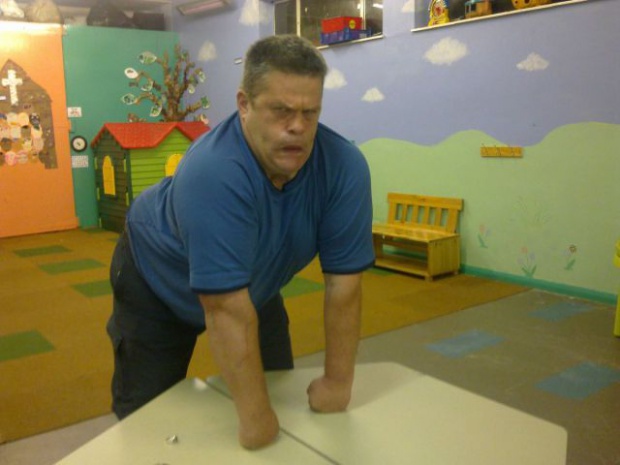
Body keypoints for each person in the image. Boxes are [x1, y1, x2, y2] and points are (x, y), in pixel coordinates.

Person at [106, 34, 374, 450]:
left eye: (310, 112)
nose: (297, 127)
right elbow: (225, 309)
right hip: (156, 276)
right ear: (244, 105)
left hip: (254, 283)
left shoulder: (343, 167)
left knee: (278, 391)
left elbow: (344, 286)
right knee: (147, 421)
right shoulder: (212, 171)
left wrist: (338, 383)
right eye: (281, 110)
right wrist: (255, 421)